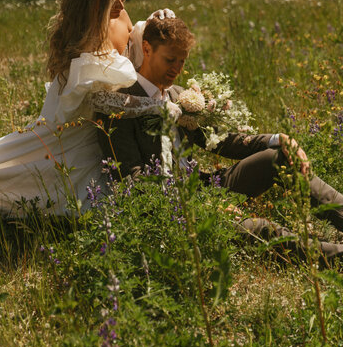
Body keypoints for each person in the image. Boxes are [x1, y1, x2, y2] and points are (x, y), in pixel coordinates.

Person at [97, 16, 343, 264]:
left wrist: (278, 139)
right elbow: (132, 176)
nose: (177, 69)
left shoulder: (179, 94)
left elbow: (221, 141)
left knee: (279, 157)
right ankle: (337, 257)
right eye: (170, 60)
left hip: (206, 184)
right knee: (260, 229)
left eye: (182, 61)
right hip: (172, 206)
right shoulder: (121, 105)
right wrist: (201, 208)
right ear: (147, 49)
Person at [0, 0, 171, 216]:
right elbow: (100, 101)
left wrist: (155, 24)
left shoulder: (121, 16)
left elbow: (137, 48)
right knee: (7, 167)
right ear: (96, 0)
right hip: (76, 125)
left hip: (112, 126)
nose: (122, 0)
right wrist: (151, 106)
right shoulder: (82, 36)